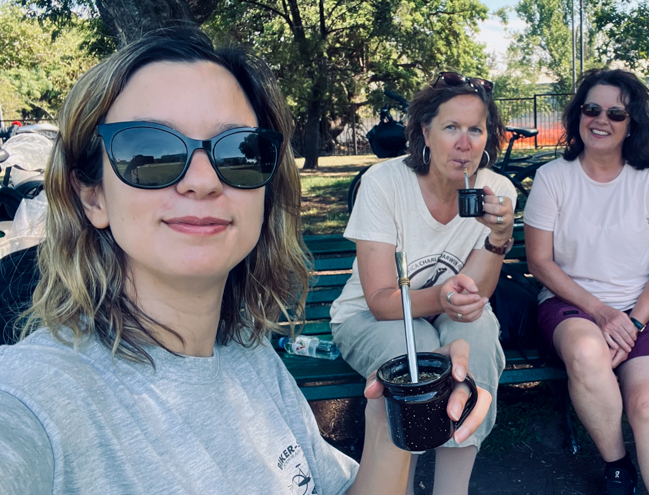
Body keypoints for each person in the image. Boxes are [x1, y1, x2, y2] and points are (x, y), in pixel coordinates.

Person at [0, 28, 491, 495]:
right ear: (92, 197)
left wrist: (388, 424)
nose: (202, 180)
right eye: (149, 150)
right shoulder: (41, 397)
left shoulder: (246, 356)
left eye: (238, 151)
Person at [330, 71, 516, 495]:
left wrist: (499, 238)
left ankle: (453, 490)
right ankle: (401, 487)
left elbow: (475, 296)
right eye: (451, 127)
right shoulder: (384, 184)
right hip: (367, 318)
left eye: (476, 129)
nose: (465, 143)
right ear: (425, 133)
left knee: (480, 330)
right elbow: (379, 301)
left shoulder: (497, 191)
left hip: (440, 315)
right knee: (412, 346)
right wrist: (444, 298)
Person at [524, 68, 649, 495]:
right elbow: (540, 263)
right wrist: (601, 312)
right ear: (578, 115)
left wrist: (632, 323)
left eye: (616, 113)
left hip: (643, 309)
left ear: (632, 123)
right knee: (586, 351)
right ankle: (617, 464)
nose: (602, 120)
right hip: (571, 304)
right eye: (592, 109)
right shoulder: (552, 178)